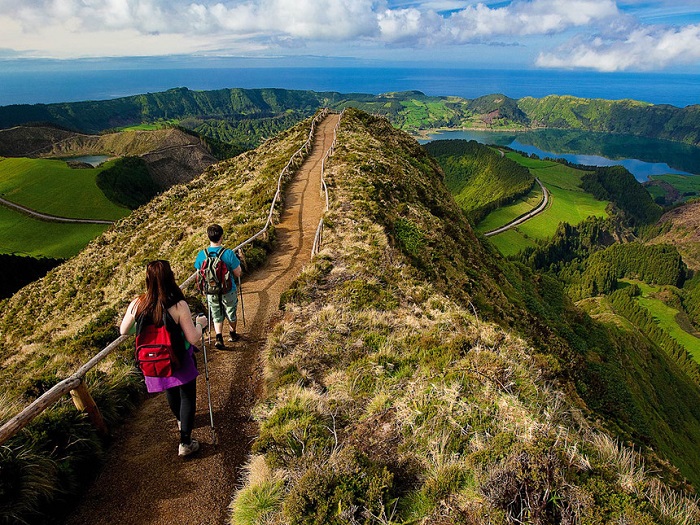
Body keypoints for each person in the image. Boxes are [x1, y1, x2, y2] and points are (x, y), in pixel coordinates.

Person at [120, 260, 208, 457]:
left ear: (148, 279)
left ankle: (180, 422)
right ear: (170, 277)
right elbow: (193, 338)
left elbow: (123, 330)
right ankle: (185, 442)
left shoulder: (137, 303)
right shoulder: (177, 304)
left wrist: (145, 331)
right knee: (187, 395)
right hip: (179, 357)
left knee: (171, 390)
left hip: (155, 359)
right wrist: (200, 324)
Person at [194, 224, 242, 350]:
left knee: (216, 314)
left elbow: (199, 274)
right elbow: (238, 273)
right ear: (221, 236)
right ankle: (232, 333)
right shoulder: (229, 253)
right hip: (228, 289)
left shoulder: (201, 255)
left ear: (208, 237)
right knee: (231, 312)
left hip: (210, 291)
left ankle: (219, 337)